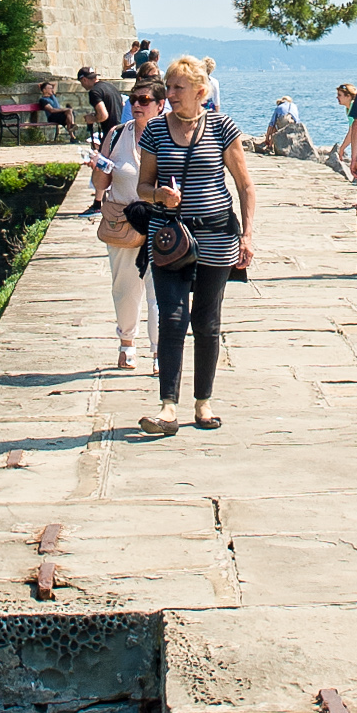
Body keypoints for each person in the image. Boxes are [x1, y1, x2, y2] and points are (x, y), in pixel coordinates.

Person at [134, 56, 256, 433]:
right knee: (172, 318)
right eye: (168, 88)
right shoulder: (155, 130)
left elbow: (245, 186)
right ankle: (168, 407)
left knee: (207, 321)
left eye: (177, 89)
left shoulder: (222, 127)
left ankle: (203, 402)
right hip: (170, 238)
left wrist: (247, 235)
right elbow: (142, 186)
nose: (168, 95)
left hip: (217, 237)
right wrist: (160, 196)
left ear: (201, 92)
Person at [82, 96, 156, 372]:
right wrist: (98, 167)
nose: (137, 104)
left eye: (145, 100)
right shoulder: (115, 135)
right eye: (134, 99)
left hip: (160, 222)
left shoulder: (168, 134)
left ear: (160, 105)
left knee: (158, 293)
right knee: (125, 289)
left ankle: (160, 353)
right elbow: (100, 183)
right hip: (123, 222)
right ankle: (127, 345)